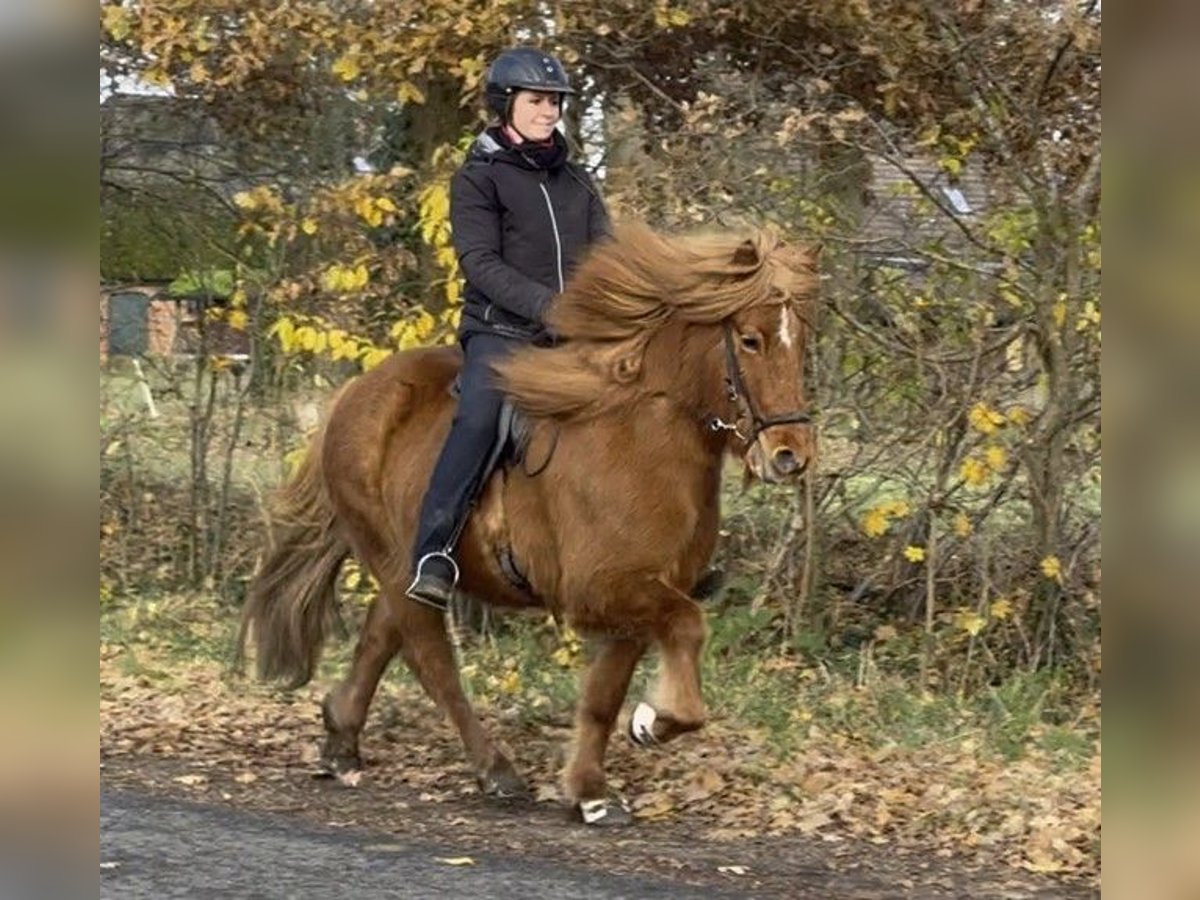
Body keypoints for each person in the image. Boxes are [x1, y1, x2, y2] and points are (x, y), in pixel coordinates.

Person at [406, 46, 611, 610]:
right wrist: (550, 307)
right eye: (538, 101)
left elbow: (607, 256)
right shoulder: (478, 179)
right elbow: (481, 264)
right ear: (506, 104)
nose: (549, 111)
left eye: (555, 103)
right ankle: (434, 551)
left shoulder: (580, 182)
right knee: (479, 418)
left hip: (574, 335)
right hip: (501, 330)